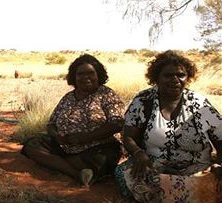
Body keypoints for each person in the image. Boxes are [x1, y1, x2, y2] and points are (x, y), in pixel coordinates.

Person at [115, 50, 222, 202]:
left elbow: (221, 139)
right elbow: (128, 136)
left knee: (205, 182)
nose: (175, 80)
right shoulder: (144, 101)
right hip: (154, 163)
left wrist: (218, 164)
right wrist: (138, 153)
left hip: (195, 166)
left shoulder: (199, 104)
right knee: (122, 172)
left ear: (188, 77)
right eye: (168, 75)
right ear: (156, 78)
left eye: (180, 75)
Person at [21, 54, 124, 186]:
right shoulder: (68, 97)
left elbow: (117, 124)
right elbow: (51, 124)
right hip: (64, 146)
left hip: (97, 147)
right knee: (32, 144)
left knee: (102, 158)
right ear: (74, 77)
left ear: (98, 75)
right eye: (80, 74)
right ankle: (76, 173)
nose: (86, 77)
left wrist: (86, 137)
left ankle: (58, 163)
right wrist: (57, 136)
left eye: (90, 73)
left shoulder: (107, 95)